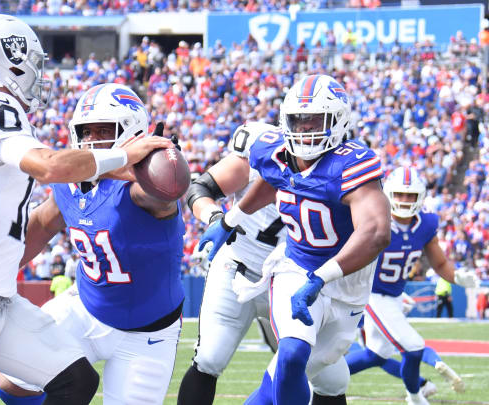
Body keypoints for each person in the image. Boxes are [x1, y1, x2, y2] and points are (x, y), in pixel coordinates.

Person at [0, 16, 171, 405]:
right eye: (31, 62)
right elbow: (50, 167)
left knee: (75, 379)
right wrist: (123, 155)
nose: (36, 73)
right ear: (7, 61)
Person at [198, 74, 392, 405]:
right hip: (295, 267)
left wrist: (323, 277)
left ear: (338, 120)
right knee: (290, 353)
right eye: (298, 121)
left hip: (346, 282)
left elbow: (375, 233)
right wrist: (230, 220)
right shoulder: (272, 150)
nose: (304, 129)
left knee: (284, 378)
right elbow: (274, 179)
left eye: (314, 120)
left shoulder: (351, 163)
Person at [0, 83, 185, 405]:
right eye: (87, 132)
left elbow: (167, 193)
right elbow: (41, 224)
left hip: (147, 333)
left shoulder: (142, 188)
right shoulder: (70, 180)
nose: (93, 141)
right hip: (85, 307)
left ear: (133, 132)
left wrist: (162, 165)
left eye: (103, 131)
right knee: (13, 382)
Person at [345, 167, 477, 404]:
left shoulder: (426, 223)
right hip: (371, 294)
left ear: (420, 197)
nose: (404, 201)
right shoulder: (373, 219)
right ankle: (415, 397)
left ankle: (317, 380)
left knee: (375, 355)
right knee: (413, 346)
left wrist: (458, 278)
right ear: (388, 194)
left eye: (410, 196)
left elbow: (440, 263)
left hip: (394, 295)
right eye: (399, 195)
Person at [177, 123, 287, 405]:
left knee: (316, 371)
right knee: (209, 358)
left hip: (289, 278)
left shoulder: (334, 164)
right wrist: (216, 218)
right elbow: (200, 188)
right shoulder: (260, 149)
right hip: (236, 267)